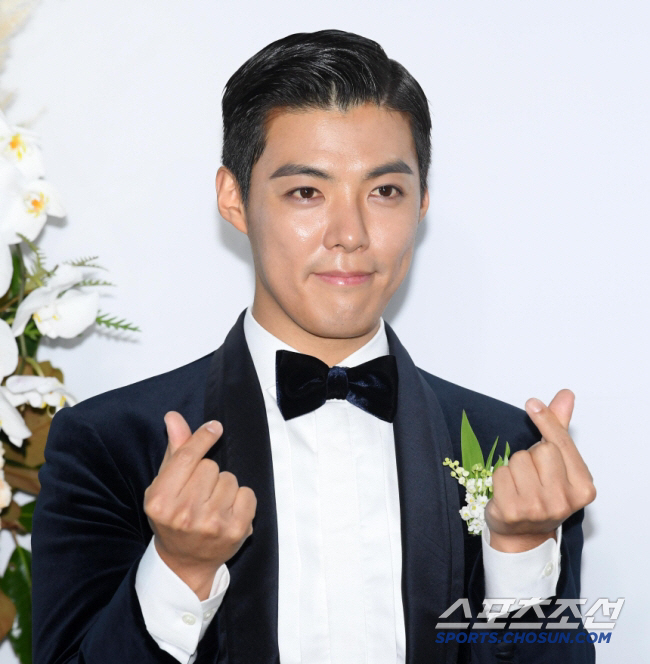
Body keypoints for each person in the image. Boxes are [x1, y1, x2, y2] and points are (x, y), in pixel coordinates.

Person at [31, 29, 596, 664]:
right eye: (306, 192)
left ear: (422, 203)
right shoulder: (109, 445)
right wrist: (179, 570)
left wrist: (520, 559)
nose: (350, 234)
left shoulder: (517, 455)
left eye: (384, 191)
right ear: (234, 199)